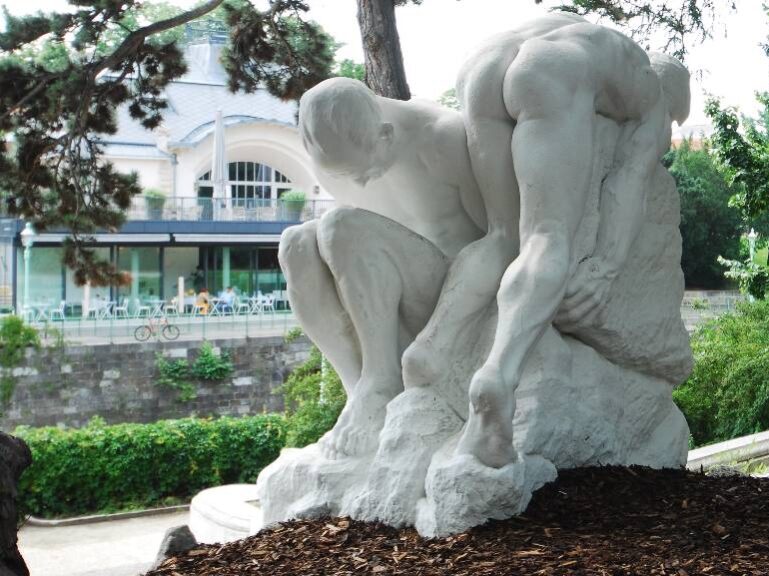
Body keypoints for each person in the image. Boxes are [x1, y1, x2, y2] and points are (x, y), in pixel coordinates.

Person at [397, 14, 690, 468]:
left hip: (482, 64)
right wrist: (605, 267)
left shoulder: (595, 36)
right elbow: (629, 178)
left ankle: (432, 346)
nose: (667, 135)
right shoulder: (649, 92)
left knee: (502, 236)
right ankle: (497, 377)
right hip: (551, 72)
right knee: (546, 238)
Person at [281, 76, 486, 458]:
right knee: (296, 243)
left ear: (386, 134)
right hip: (381, 292)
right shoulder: (333, 156)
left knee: (341, 224)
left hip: (448, 291)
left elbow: (495, 241)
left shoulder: (442, 137)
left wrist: (441, 336)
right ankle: (357, 388)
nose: (356, 183)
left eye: (362, 171)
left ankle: (381, 380)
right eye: (342, 174)